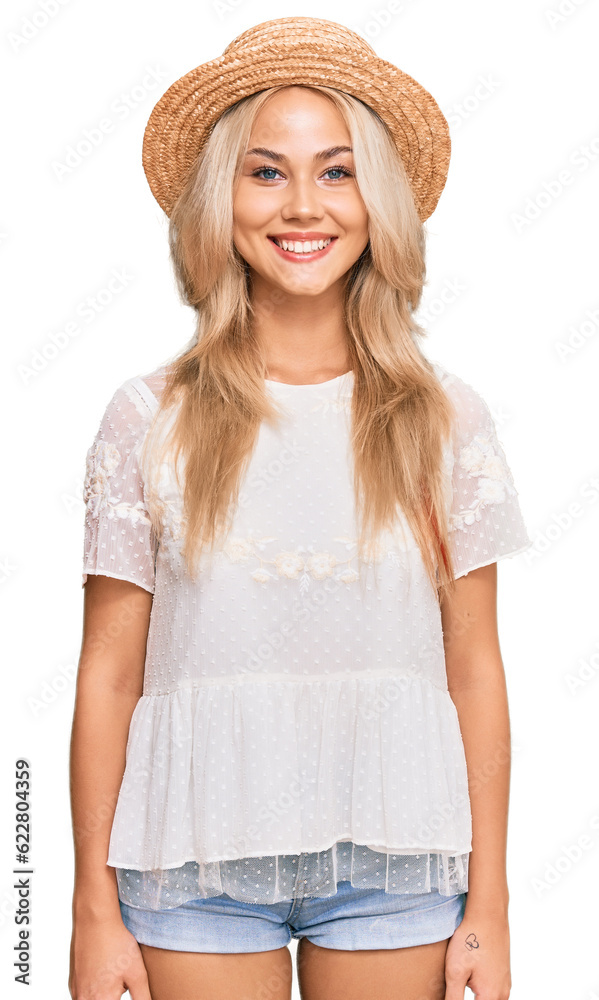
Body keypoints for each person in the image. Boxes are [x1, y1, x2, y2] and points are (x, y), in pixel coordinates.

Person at [68, 16, 532, 1000]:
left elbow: (473, 666)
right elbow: (108, 676)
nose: (302, 205)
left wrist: (487, 904)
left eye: (336, 171)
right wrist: (90, 911)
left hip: (395, 864)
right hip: (190, 870)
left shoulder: (442, 419)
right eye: (265, 171)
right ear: (220, 199)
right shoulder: (147, 418)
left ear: (377, 199)